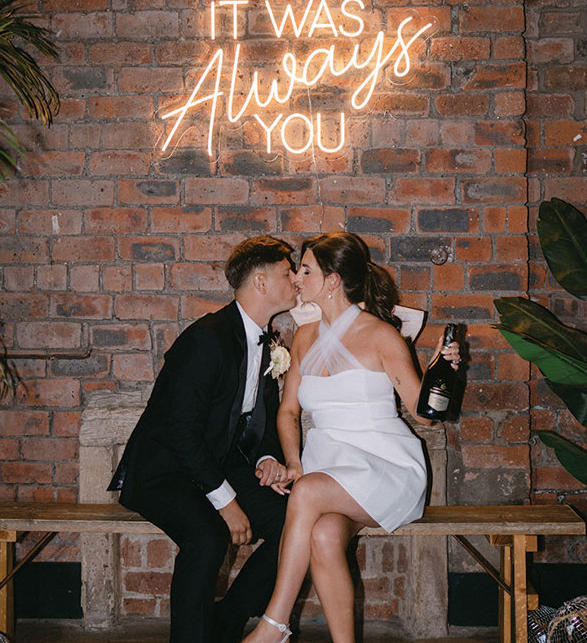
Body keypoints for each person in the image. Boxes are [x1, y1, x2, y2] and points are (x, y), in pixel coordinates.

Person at [242, 232, 461, 643]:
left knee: (306, 495)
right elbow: (288, 412)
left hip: (385, 466)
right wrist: (294, 462)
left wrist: (439, 371)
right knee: (323, 535)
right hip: (329, 471)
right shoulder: (304, 338)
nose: (297, 278)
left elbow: (425, 417)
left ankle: (273, 626)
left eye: (305, 270)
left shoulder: (381, 336)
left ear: (332, 281)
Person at [108, 235, 300, 643]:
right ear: (261, 283)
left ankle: (227, 620)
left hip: (219, 462)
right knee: (208, 535)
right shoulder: (206, 339)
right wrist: (227, 502)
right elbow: (180, 431)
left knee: (294, 522)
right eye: (288, 273)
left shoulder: (269, 344)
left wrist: (267, 457)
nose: (296, 280)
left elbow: (260, 418)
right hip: (165, 469)